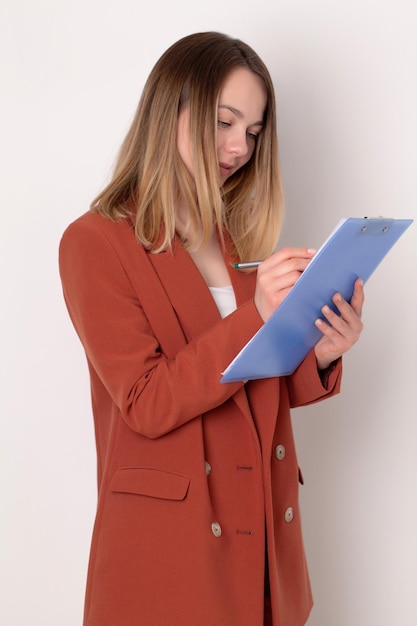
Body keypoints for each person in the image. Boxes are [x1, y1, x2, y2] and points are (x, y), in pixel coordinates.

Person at [59, 31, 364, 626]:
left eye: (253, 131)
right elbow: (147, 401)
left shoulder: (234, 244)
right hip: (172, 554)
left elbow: (250, 385)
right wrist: (258, 314)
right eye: (225, 122)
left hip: (263, 538)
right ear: (167, 110)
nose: (239, 146)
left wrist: (322, 354)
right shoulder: (94, 242)